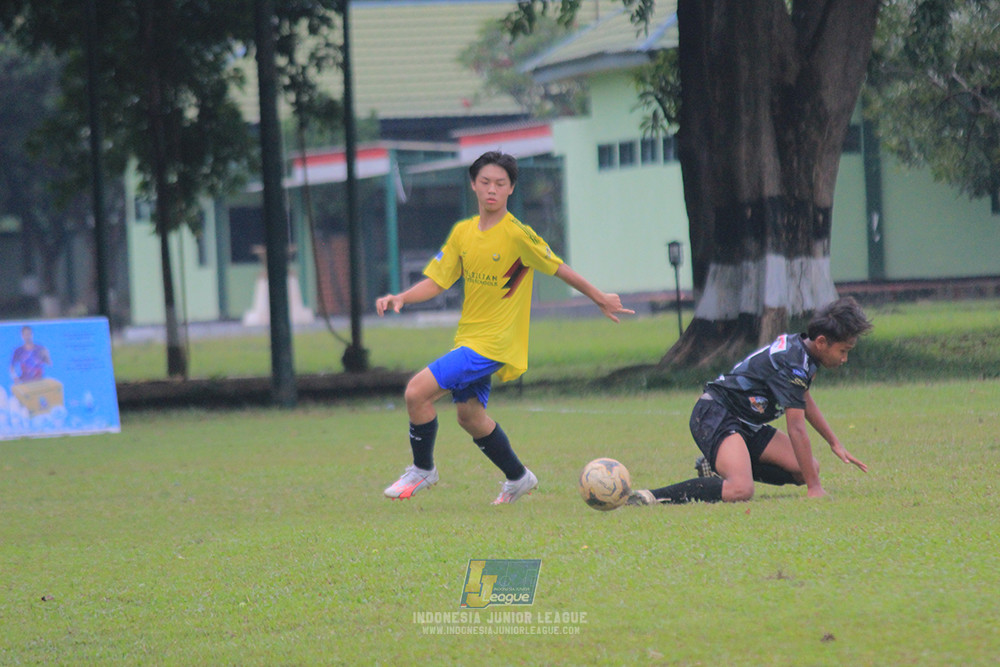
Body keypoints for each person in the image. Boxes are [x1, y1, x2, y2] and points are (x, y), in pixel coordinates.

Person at [376, 151, 634, 505]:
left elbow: (558, 267)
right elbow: (437, 281)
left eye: (500, 183)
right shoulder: (463, 233)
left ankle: (423, 470)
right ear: (474, 185)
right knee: (469, 416)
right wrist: (403, 297)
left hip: (494, 344)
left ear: (512, 188)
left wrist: (599, 297)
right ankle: (518, 477)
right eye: (485, 182)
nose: (492, 190)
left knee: (415, 392)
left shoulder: (517, 235)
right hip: (470, 338)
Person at [628, 296, 873, 505]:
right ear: (821, 342)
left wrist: (834, 442)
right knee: (741, 490)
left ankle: (720, 466)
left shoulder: (804, 355)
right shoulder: (794, 363)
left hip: (748, 424)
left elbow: (803, 397)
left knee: (806, 469)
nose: (844, 359)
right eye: (843, 351)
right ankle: (649, 497)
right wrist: (815, 489)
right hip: (716, 413)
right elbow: (796, 427)